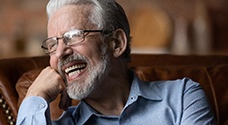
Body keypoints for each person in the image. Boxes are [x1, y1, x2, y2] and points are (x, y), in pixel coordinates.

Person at [16, 0, 216, 124]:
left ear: (116, 43)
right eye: (53, 44)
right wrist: (35, 96)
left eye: (73, 36)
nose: (60, 52)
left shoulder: (182, 98)